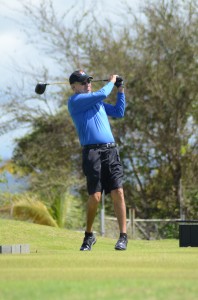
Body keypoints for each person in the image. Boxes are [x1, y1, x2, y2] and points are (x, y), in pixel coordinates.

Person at [67, 69, 128, 251]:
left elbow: (119, 112)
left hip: (110, 151)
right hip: (92, 153)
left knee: (118, 191)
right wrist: (111, 81)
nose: (88, 84)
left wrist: (120, 89)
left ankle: (123, 236)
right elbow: (102, 93)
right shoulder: (75, 101)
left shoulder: (97, 102)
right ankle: (89, 235)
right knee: (95, 196)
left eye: (88, 81)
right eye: (83, 82)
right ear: (74, 87)